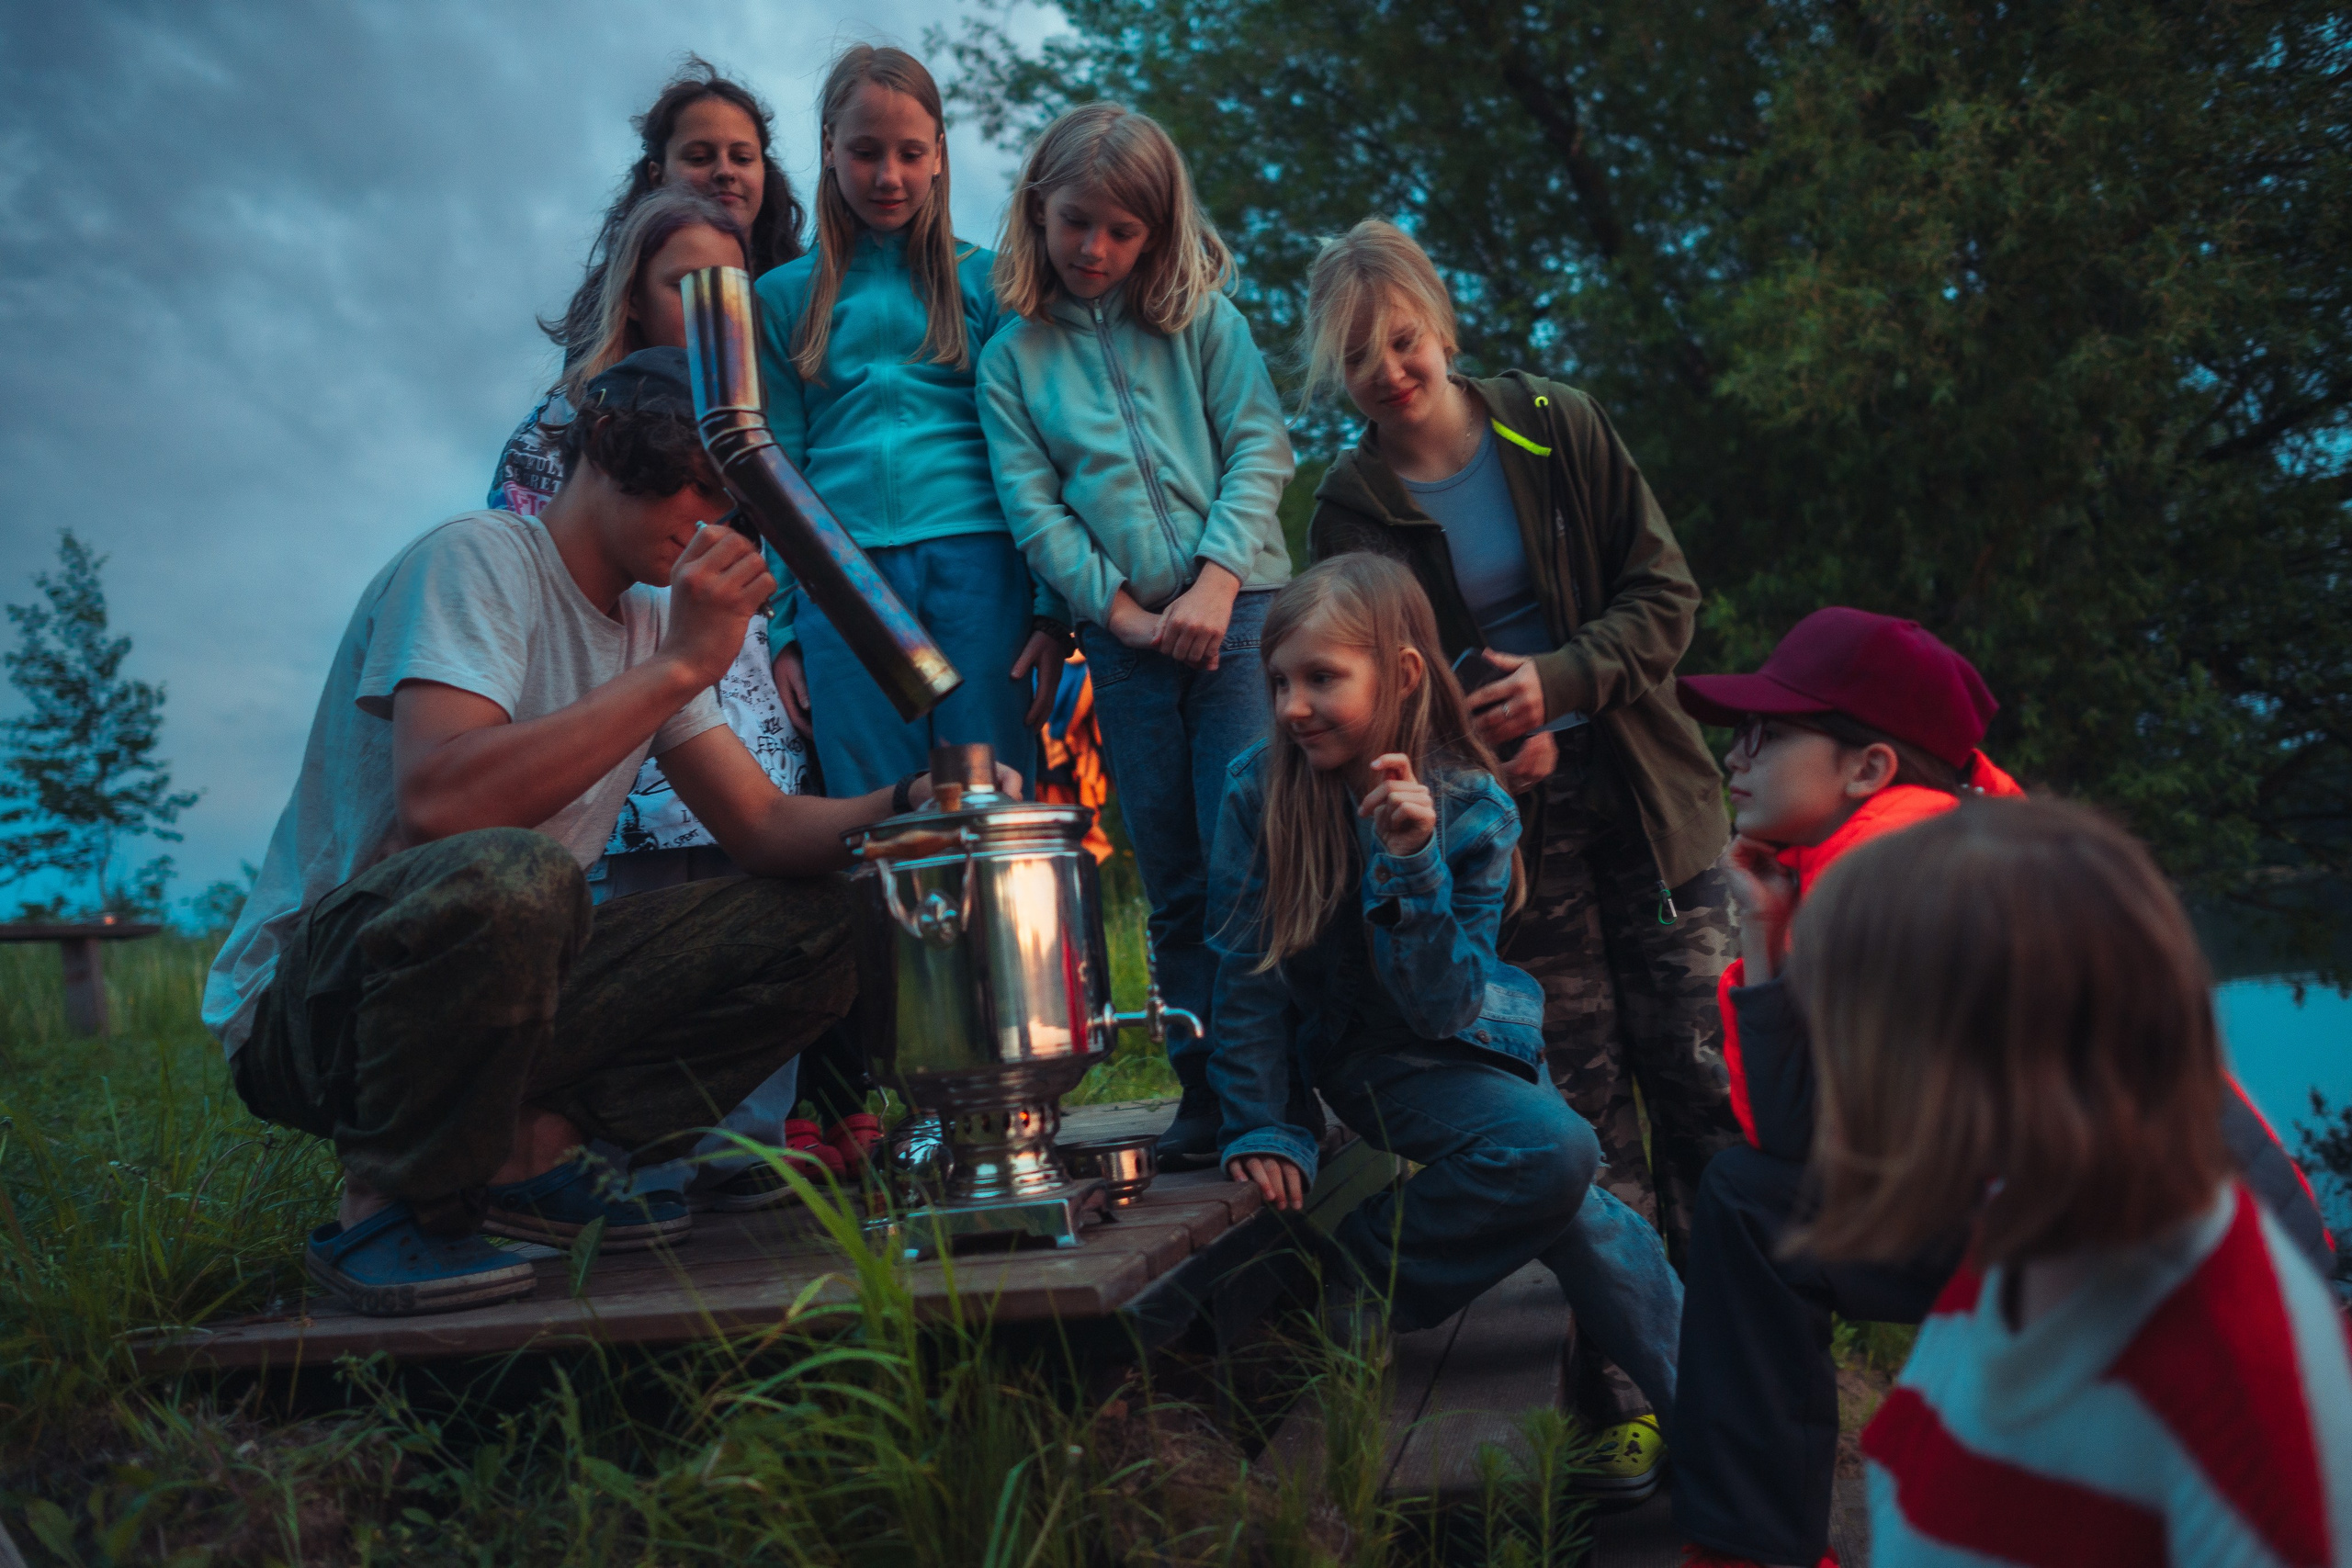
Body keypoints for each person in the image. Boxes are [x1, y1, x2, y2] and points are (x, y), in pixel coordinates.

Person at [202, 349, 1015, 1317]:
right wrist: (679, 669)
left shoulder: (645, 621)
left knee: (837, 918)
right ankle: (379, 1206)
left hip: (503, 983)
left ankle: (529, 1151)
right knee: (518, 874)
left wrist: (910, 801)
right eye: (696, 490)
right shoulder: (476, 558)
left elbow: (761, 826)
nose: (713, 524)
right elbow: (440, 804)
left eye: (730, 504)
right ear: (605, 447)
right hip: (323, 1007)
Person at [1667, 611, 2336, 1568]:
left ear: (1868, 768)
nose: (1735, 756)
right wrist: (1765, 935)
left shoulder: (1904, 877)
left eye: (1768, 733)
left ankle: (1749, 1549)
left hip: (2151, 1259)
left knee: (1752, 1207)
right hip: (2191, 1242)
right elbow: (1798, 1139)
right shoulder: (1885, 853)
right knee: (1751, 1199)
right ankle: (1756, 1543)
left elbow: (1832, 1144)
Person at [1300, 219, 1734, 1481]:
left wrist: (1562, 682)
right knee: (1582, 1121)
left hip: (1649, 803)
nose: (1389, 372)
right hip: (1500, 844)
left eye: (1402, 339)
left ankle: (1756, 1366)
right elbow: (1369, 692)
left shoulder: (1558, 423)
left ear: (1439, 323)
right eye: (1357, 357)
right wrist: (1481, 758)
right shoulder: (1350, 504)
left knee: (1706, 1091)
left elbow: (1666, 596)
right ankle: (1634, 1404)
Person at [1207, 554, 1685, 1459]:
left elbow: (1444, 1004)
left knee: (1578, 1204)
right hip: (1368, 1055)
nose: (1292, 706)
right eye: (1278, 682)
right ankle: (1367, 1267)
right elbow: (1245, 973)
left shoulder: (1471, 805)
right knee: (1560, 1156)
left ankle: (1722, 1445)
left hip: (1470, 1033)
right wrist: (1264, 1122)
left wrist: (1410, 864)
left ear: (1402, 675)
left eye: (1321, 678)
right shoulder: (1257, 789)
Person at [1788, 802, 2351, 1566]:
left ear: (1970, 1058)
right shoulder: (2030, 1232)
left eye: (1844, 1032)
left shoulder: (2231, 1380)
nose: (1831, 1077)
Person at [977, 102, 1295, 1166]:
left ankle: (1272, 1094)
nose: (1095, 249)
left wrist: (1214, 585)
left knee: (1248, 855)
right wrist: (1118, 614)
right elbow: (1034, 511)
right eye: (1076, 222)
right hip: (1122, 643)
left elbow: (1258, 446)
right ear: (1038, 210)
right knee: (1173, 874)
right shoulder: (1013, 359)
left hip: (1240, 617)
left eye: (1122, 231)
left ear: (1157, 231)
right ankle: (1203, 1089)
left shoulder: (1203, 321)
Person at [757, 43, 1064, 803]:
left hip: (981, 567)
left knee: (991, 794)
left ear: (939, 156)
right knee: (879, 808)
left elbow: (1033, 450)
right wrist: (785, 626)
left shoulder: (990, 282)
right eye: (865, 152)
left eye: (910, 153)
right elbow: (774, 467)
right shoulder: (781, 297)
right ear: (829, 149)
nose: (888, 176)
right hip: (842, 576)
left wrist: (1051, 611)